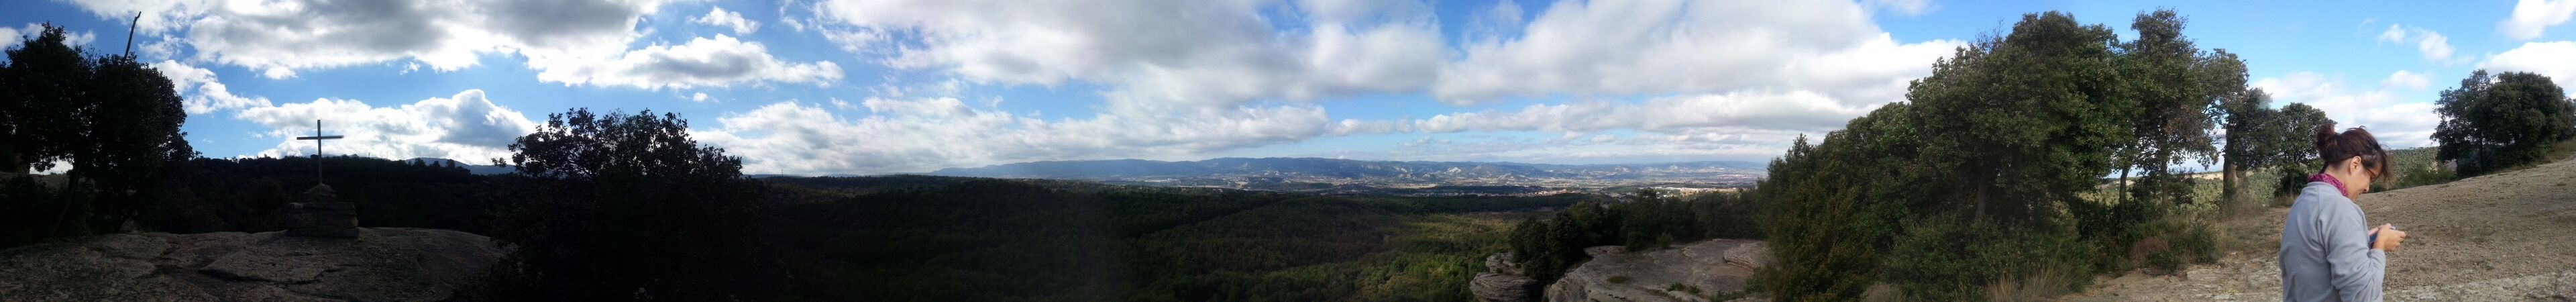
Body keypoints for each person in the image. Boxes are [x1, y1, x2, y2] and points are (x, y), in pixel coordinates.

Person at [2279, 123, 2406, 302]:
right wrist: (2379, 248)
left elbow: (2317, 260)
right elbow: (2364, 297)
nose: (2367, 188)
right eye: (2370, 177)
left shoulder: (2304, 200)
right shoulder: (2341, 208)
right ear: (2355, 164)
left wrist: (2362, 242)